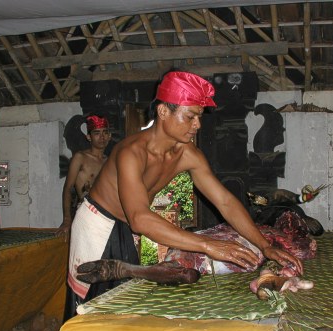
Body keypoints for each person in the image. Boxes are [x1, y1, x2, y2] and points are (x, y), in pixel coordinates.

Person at [67, 71, 303, 306]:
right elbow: (139, 217)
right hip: (97, 224)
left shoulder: (188, 154)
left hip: (125, 228)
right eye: (190, 116)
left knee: (122, 301)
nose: (197, 125)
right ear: (163, 112)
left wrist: (264, 245)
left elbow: (225, 201)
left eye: (199, 116)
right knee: (89, 306)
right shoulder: (132, 152)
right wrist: (207, 245)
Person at [56, 115, 111, 240]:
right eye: (97, 133)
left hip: (107, 215)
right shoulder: (80, 158)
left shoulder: (109, 161)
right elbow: (68, 188)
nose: (102, 137)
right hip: (85, 213)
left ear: (109, 136)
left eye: (105, 133)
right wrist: (67, 220)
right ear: (88, 137)